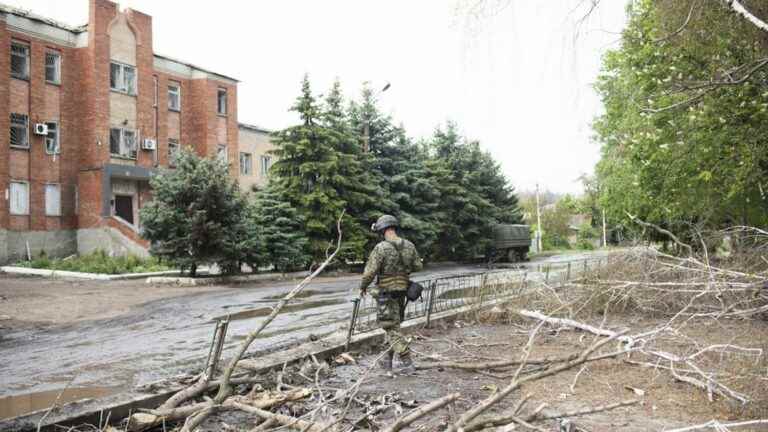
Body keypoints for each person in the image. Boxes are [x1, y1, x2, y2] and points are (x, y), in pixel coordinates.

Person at [360, 214, 423, 370]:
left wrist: (363, 286)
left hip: (385, 294)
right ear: (394, 227)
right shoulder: (409, 245)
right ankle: (387, 362)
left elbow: (370, 272)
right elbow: (418, 267)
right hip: (402, 292)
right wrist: (403, 270)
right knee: (394, 327)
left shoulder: (381, 248)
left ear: (382, 230)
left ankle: (407, 362)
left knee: (390, 328)